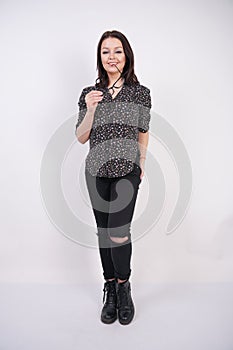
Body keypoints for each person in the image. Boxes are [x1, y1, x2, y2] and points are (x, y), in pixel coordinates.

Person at [75, 30, 152, 325]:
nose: (111, 57)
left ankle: (124, 287)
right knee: (104, 233)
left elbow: (143, 133)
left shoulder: (140, 93)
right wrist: (92, 109)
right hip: (96, 172)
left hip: (126, 172)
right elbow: (81, 137)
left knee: (119, 233)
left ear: (127, 55)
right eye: (105, 51)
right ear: (100, 57)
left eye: (117, 51)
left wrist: (141, 162)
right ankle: (109, 286)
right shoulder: (89, 93)